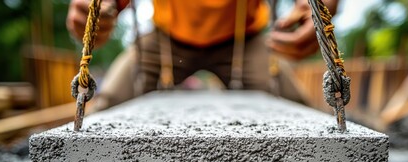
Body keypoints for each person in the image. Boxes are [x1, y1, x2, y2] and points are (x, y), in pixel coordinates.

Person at [67, 0, 339, 110]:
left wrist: (319, 8)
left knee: (297, 106)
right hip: (166, 40)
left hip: (244, 39)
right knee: (108, 104)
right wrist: (97, 10)